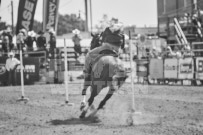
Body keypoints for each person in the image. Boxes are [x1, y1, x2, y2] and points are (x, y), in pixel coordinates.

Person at [81, 24, 125, 96]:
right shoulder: (121, 34)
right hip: (116, 51)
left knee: (89, 55)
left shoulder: (106, 31)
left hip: (106, 48)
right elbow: (122, 46)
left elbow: (102, 42)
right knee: (118, 60)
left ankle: (87, 73)